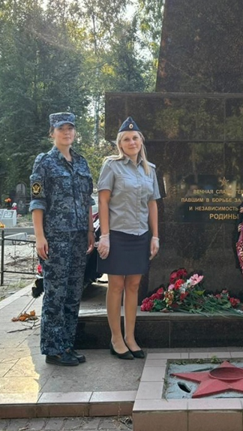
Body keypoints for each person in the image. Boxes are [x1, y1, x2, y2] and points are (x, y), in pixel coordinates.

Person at [29, 112, 96, 366]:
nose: (67, 133)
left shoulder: (81, 163)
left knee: (72, 293)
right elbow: (37, 202)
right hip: (55, 239)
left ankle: (67, 345)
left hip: (79, 236)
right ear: (52, 133)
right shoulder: (44, 162)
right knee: (55, 294)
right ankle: (53, 349)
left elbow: (88, 201)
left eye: (70, 128)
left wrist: (91, 230)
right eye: (61, 129)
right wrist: (39, 237)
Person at [96, 117, 161, 360]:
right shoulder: (111, 166)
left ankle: (130, 337)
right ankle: (116, 338)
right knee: (116, 286)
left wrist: (155, 236)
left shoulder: (149, 169)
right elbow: (103, 201)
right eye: (126, 139)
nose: (131, 142)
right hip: (118, 234)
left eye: (135, 138)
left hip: (140, 235)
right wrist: (105, 236)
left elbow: (152, 203)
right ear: (120, 144)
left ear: (141, 141)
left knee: (134, 286)